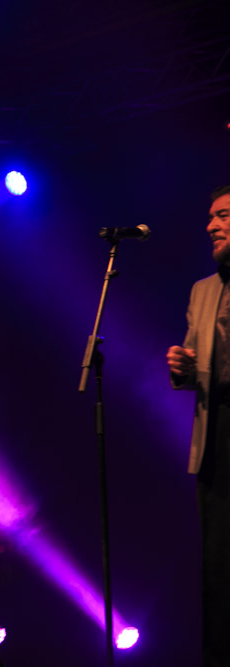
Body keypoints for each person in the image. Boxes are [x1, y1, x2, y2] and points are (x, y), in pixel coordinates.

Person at [168, 184, 230, 667]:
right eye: (211, 217)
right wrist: (181, 368)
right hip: (217, 438)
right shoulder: (202, 290)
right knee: (218, 571)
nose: (212, 225)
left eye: (224, 215)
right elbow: (194, 369)